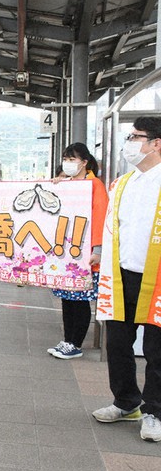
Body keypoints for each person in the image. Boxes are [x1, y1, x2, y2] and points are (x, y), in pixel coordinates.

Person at [92, 117, 161, 443]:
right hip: (120, 276)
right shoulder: (122, 183)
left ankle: (154, 412)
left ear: (156, 143)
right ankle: (126, 402)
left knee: (156, 349)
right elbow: (112, 227)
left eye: (136, 137)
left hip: (158, 280)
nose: (130, 142)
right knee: (118, 343)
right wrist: (100, 253)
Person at [47, 143, 108, 359]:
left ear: (84, 162)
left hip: (84, 252)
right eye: (66, 158)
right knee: (67, 297)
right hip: (66, 251)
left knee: (80, 298)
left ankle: (76, 343)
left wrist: (97, 249)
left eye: (72, 159)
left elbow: (101, 218)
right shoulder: (67, 184)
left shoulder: (94, 185)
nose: (68, 163)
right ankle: (67, 340)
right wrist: (56, 185)